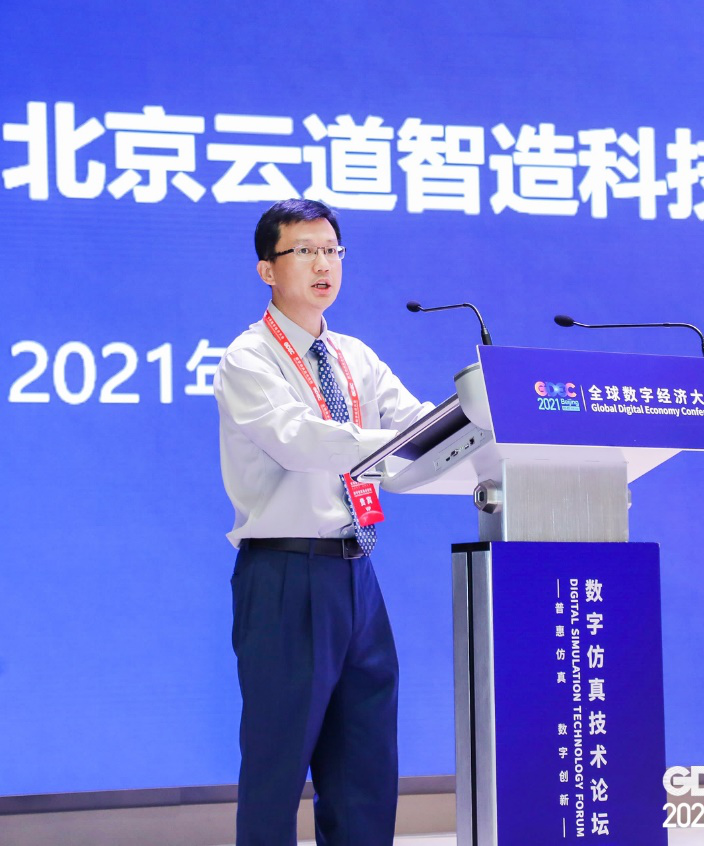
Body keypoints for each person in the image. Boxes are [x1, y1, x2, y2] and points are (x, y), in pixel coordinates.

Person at [213, 198, 432, 846]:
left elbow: (417, 423)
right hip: (286, 574)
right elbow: (300, 440)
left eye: (332, 251)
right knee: (277, 768)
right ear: (267, 269)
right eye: (304, 251)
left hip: (357, 574)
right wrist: (393, 444)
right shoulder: (249, 358)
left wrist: (475, 422)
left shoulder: (355, 357)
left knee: (366, 765)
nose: (322, 265)